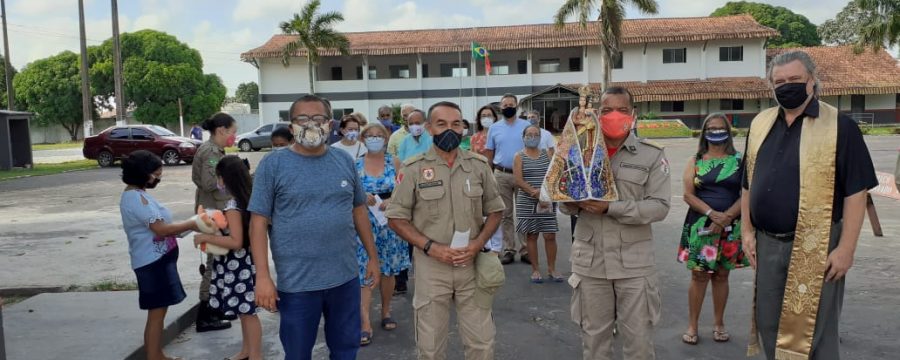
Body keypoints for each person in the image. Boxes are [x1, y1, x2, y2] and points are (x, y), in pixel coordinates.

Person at [742, 51, 877, 360]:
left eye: (794, 80)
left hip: (818, 244)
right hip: (766, 242)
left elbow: (856, 194)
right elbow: (747, 183)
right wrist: (746, 232)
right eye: (779, 82)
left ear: (812, 81)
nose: (786, 86)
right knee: (768, 322)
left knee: (815, 329)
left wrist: (846, 249)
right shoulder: (761, 123)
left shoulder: (840, 127)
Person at [248, 95, 380, 359]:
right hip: (297, 284)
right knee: (297, 353)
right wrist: (262, 277)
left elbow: (358, 210)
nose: (310, 125)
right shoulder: (273, 165)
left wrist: (373, 257)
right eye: (302, 119)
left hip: (344, 278)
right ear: (291, 125)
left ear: (330, 124)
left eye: (318, 119)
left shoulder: (343, 161)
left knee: (345, 350)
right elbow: (258, 222)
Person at [386, 101, 505, 360]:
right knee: (430, 347)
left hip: (472, 264)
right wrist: (431, 247)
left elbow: (496, 210)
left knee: (482, 343)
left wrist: (478, 243)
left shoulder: (478, 165)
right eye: (441, 124)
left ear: (463, 127)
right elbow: (396, 218)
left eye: (456, 124)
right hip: (432, 266)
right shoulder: (413, 168)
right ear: (429, 128)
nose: (449, 129)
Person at [560, 86, 670, 360]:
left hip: (634, 265)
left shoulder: (651, 155)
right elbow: (562, 199)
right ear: (597, 114)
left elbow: (660, 206)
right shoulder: (580, 151)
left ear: (633, 115)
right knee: (595, 342)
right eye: (607, 110)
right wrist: (572, 201)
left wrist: (611, 208)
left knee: (639, 344)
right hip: (590, 262)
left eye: (622, 110)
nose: (614, 115)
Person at [677, 113, 748, 345]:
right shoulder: (695, 160)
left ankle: (719, 323)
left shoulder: (740, 160)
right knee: (699, 275)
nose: (716, 132)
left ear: (728, 131)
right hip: (701, 225)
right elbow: (688, 194)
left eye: (720, 128)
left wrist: (726, 217)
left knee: (721, 275)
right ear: (704, 132)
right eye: (711, 128)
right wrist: (712, 215)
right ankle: (693, 325)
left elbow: (748, 192)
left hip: (731, 225)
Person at [119, 150, 196, 360]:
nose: (158, 178)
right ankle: (154, 356)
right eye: (156, 174)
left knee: (159, 312)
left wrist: (192, 227)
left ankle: (157, 354)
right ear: (143, 173)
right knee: (156, 314)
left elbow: (168, 228)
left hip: (159, 260)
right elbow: (161, 230)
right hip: (152, 264)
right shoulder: (134, 199)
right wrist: (194, 222)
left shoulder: (140, 195)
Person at [194, 155, 263, 360]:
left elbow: (236, 241)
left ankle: (255, 355)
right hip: (245, 263)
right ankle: (246, 351)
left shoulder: (233, 206)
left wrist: (205, 236)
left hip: (237, 265)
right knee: (244, 312)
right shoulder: (248, 199)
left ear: (224, 178)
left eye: (218, 177)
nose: (218, 182)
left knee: (248, 314)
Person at [355, 123, 411, 346]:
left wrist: (391, 200)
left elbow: (405, 188)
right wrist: (362, 195)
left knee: (388, 270)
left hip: (389, 222)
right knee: (365, 270)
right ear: (363, 139)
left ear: (386, 139)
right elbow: (347, 190)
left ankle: (386, 311)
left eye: (379, 135)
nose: (375, 139)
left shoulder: (395, 162)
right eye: (370, 135)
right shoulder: (355, 165)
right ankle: (364, 321)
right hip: (363, 224)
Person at [192, 112, 237, 332]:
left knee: (219, 262)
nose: (234, 137)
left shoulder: (214, 150)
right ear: (221, 130)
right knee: (213, 265)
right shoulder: (211, 151)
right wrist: (234, 179)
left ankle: (216, 308)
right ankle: (205, 315)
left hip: (214, 212)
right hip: (213, 215)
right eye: (233, 132)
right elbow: (210, 183)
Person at [484, 93, 531, 265]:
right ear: (501, 107)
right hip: (501, 174)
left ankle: (526, 249)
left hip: (523, 174)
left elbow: (533, 148)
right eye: (505, 105)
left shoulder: (526, 126)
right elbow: (489, 152)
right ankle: (509, 249)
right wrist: (487, 175)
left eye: (511, 104)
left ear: (517, 106)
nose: (508, 107)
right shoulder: (494, 128)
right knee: (505, 214)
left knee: (524, 212)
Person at [513, 125, 560, 283]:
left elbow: (553, 176)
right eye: (529, 134)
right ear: (523, 137)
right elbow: (518, 180)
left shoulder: (547, 154)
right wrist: (535, 192)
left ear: (541, 137)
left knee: (550, 235)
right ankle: (535, 270)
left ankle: (552, 269)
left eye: (536, 134)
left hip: (546, 201)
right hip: (527, 200)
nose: (532, 137)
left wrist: (545, 193)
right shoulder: (519, 156)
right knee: (532, 235)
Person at [391, 104, 419, 295]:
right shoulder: (400, 140)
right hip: (406, 191)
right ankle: (401, 279)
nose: (414, 124)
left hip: (429, 193)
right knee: (405, 238)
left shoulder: (431, 139)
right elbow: (396, 166)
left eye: (417, 121)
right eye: (408, 119)